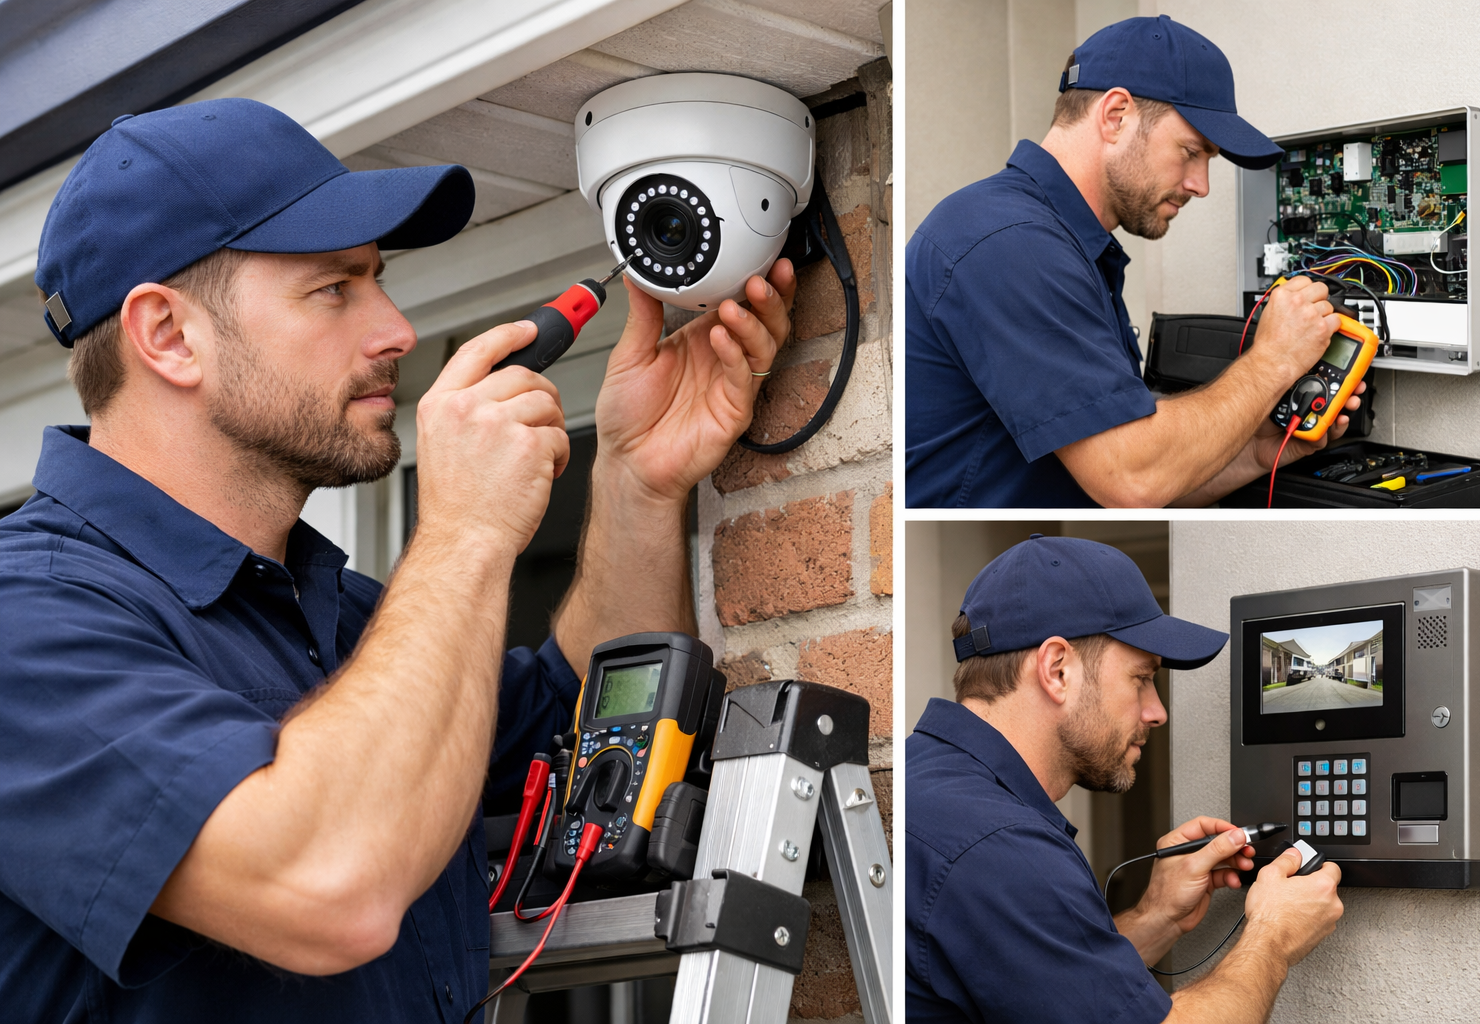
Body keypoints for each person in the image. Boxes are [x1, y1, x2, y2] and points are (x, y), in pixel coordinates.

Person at [0, 98, 797, 1021]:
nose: (397, 330)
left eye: (379, 280)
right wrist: (464, 530)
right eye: (334, 289)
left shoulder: (346, 619)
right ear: (169, 336)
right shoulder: (27, 621)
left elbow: (593, 727)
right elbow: (327, 885)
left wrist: (637, 484)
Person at [905, 15, 1367, 508]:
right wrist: (1274, 360)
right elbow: (1131, 478)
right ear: (1116, 115)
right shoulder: (1008, 241)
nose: (1201, 185)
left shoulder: (1068, 245)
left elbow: (1140, 471)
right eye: (1191, 151)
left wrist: (1254, 452)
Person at [907, 535, 1344, 1023]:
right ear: (1057, 670)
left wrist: (1156, 916)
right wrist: (1273, 936)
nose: (1157, 712)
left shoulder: (930, 784)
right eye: (1142, 678)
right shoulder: (999, 847)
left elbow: (1053, 990)